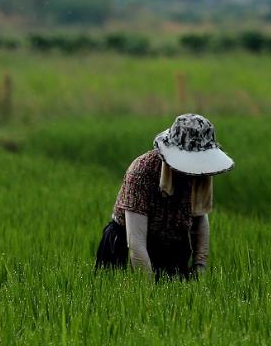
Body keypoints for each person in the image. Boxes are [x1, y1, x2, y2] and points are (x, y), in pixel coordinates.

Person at [95, 113, 234, 280]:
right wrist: (147, 294)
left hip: (172, 244)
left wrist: (200, 267)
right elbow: (136, 244)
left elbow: (199, 216)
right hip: (127, 243)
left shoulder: (200, 174)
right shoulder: (142, 172)